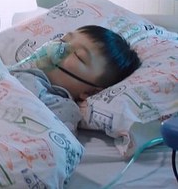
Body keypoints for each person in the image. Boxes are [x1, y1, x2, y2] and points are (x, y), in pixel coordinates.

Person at [10, 25, 141, 132]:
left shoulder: (62, 108)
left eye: (78, 55)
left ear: (90, 92)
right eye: (63, 40)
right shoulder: (15, 70)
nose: (59, 47)